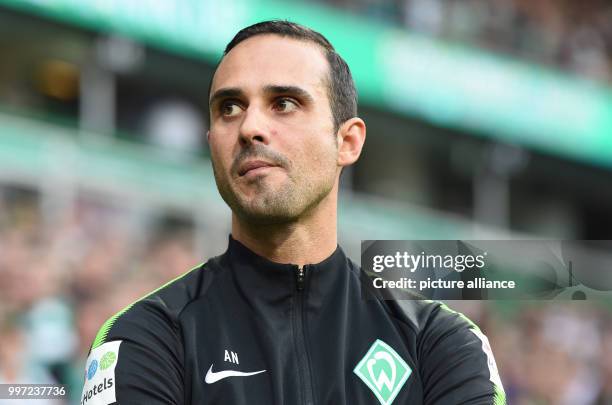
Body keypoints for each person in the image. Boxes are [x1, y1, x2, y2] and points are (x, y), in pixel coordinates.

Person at [81, 20, 506, 405]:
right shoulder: (146, 337)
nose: (249, 127)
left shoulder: (439, 342)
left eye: (284, 103)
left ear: (348, 141)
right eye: (229, 107)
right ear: (211, 140)